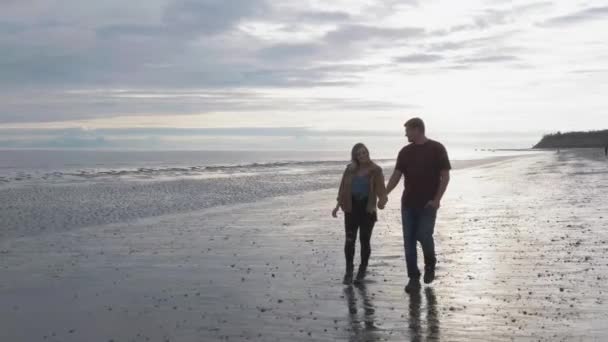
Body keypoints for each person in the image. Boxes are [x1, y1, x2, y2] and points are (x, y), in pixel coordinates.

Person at [386, 118, 451, 293]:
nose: (405, 134)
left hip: (428, 204)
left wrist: (437, 199)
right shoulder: (405, 152)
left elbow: (445, 176)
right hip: (408, 204)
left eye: (407, 130)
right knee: (409, 242)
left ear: (417, 129)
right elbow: (396, 176)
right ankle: (413, 278)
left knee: (424, 235)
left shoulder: (437, 148)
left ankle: (430, 263)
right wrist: (385, 193)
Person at [333, 143, 388, 285]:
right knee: (349, 240)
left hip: (367, 209)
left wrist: (382, 201)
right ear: (355, 156)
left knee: (364, 240)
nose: (362, 155)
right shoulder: (349, 169)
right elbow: (342, 189)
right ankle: (349, 271)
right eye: (359, 154)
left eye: (364, 152)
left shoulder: (375, 170)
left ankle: (362, 270)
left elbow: (381, 189)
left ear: (367, 153)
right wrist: (338, 206)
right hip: (351, 208)